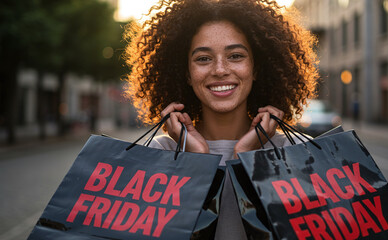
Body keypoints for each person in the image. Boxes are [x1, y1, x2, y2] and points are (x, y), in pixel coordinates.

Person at [124, 0, 319, 238]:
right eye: (203, 59)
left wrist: (245, 158)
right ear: (186, 73)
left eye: (235, 56)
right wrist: (196, 164)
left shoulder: (299, 153)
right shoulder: (157, 155)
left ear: (256, 68)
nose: (219, 69)